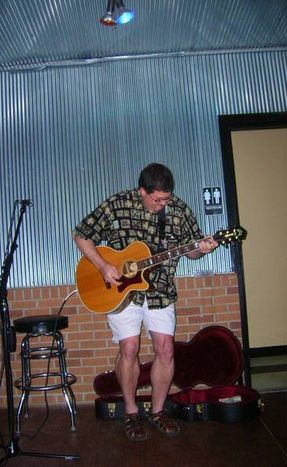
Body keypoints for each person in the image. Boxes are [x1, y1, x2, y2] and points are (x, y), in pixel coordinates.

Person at [72, 163, 217, 441]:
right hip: (121, 291)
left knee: (165, 349)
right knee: (129, 348)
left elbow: (192, 254)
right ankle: (130, 412)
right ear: (142, 191)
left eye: (167, 198)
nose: (163, 204)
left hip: (161, 289)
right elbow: (81, 235)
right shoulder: (117, 204)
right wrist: (103, 266)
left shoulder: (179, 210)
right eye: (157, 199)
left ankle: (158, 411)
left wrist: (202, 248)